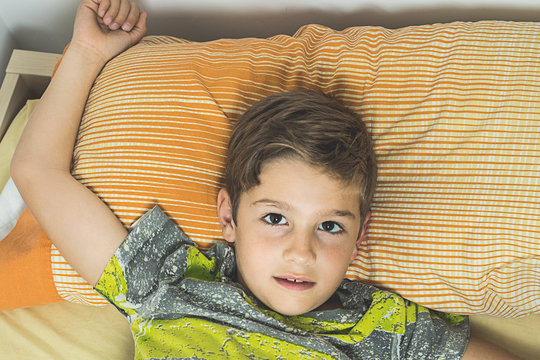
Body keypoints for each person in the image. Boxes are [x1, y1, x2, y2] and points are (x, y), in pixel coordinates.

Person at [10, 0, 521, 359]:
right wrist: (85, 53)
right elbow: (37, 173)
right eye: (276, 218)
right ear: (229, 216)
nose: (302, 253)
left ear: (361, 235)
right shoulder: (167, 283)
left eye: (330, 227)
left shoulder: (385, 329)